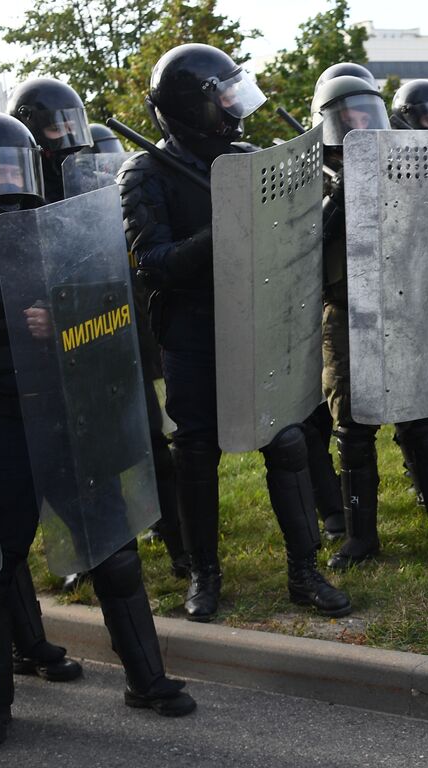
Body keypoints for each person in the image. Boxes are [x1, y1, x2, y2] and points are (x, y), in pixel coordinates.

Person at [0, 111, 199, 747]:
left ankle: (147, 679)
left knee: (113, 550)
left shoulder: (57, 228)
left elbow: (106, 303)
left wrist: (64, 319)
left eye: (13, 164)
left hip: (61, 413)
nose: (4, 179)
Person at [118, 43, 351, 622]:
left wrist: (332, 205)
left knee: (289, 441)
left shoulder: (251, 158)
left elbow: (295, 240)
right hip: (192, 328)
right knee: (195, 453)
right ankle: (204, 574)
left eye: (232, 92)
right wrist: (223, 231)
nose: (232, 106)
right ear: (189, 105)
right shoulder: (145, 172)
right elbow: (154, 264)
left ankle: (304, 571)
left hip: (260, 319)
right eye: (220, 96)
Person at [313, 76, 428, 569]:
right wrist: (340, 196)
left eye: (367, 113)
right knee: (353, 432)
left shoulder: (408, 160)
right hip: (344, 314)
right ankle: (360, 537)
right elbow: (302, 242)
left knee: (424, 422)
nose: (360, 123)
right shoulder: (310, 175)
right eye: (349, 116)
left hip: (407, 307)